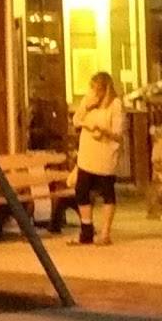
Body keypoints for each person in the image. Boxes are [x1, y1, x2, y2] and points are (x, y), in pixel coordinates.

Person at [70, 72, 125, 246]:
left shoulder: (115, 105)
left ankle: (105, 233)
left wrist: (103, 131)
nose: (94, 91)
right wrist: (86, 108)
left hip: (105, 153)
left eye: (97, 88)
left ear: (105, 88)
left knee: (107, 191)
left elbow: (118, 132)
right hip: (87, 153)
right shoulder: (88, 100)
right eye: (92, 87)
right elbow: (76, 120)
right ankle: (86, 229)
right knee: (81, 190)